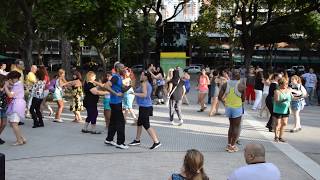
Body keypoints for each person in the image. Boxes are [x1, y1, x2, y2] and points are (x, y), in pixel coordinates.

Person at [128, 71, 161, 149]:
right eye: (141, 74)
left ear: (146, 77)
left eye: (142, 75)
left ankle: (156, 142)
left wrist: (134, 93)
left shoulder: (144, 83)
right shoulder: (145, 83)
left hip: (145, 107)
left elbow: (144, 95)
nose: (141, 76)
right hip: (144, 106)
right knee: (139, 123)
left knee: (146, 124)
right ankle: (137, 140)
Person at [104, 62, 130, 149]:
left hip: (116, 103)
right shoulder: (115, 77)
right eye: (123, 68)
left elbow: (122, 89)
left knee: (113, 122)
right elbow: (106, 86)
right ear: (119, 69)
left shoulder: (119, 77)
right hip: (115, 103)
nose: (125, 69)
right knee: (121, 122)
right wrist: (116, 94)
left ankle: (109, 139)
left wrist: (130, 86)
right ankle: (120, 143)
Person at [219, 70, 245, 153]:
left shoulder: (225, 84)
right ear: (238, 76)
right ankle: (232, 146)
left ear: (231, 75)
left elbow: (219, 97)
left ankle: (229, 144)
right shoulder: (241, 85)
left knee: (231, 126)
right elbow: (243, 99)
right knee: (236, 127)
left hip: (228, 108)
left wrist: (225, 103)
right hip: (237, 108)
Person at [4, 71, 26, 145]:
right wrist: (9, 86)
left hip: (16, 104)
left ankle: (19, 140)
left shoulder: (17, 85)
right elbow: (12, 88)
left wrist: (5, 87)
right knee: (13, 123)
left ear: (13, 78)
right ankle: (22, 138)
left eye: (10, 79)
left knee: (14, 123)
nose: (9, 80)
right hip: (17, 104)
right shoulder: (18, 84)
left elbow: (10, 95)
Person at [273, 78, 293, 142]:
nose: (286, 85)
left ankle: (280, 137)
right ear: (280, 84)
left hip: (286, 109)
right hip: (278, 109)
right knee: (278, 124)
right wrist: (284, 100)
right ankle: (276, 136)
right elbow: (276, 101)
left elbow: (291, 98)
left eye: (287, 84)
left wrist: (300, 96)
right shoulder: (277, 91)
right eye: (285, 84)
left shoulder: (289, 90)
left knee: (284, 123)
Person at [0, 74, 8, 144]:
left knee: (4, 124)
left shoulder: (5, 87)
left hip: (3, 107)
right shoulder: (3, 88)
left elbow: (9, 95)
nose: (6, 82)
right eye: (4, 80)